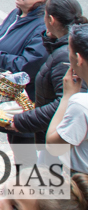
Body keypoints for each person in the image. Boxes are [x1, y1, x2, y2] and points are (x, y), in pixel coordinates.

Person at [11, 0, 87, 158]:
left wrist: (22, 121)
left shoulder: (65, 56)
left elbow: (55, 146)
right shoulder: (63, 47)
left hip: (64, 154)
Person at [47, 23, 88, 174]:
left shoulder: (81, 104)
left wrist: (67, 97)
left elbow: (54, 147)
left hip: (80, 183)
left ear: (79, 59)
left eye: (68, 51)